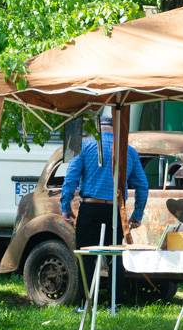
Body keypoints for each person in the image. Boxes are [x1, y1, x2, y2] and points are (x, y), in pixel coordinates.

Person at [61, 116, 149, 301]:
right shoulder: (128, 151)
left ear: (97, 129)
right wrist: (137, 214)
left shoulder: (84, 147)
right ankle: (114, 304)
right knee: (115, 256)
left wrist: (65, 205)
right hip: (117, 211)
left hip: (90, 208)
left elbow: (70, 179)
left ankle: (86, 303)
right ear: (114, 129)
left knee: (86, 256)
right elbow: (142, 186)